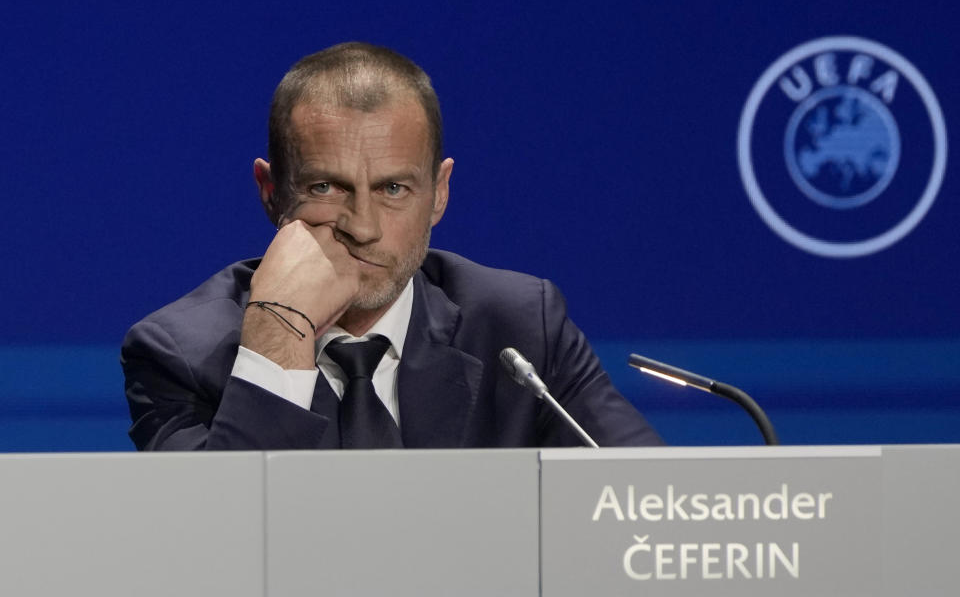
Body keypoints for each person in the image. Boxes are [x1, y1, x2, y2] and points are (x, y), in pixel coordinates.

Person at [122, 42, 661, 450]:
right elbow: (214, 552)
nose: (363, 226)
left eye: (393, 189)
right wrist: (277, 341)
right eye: (326, 187)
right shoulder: (179, 353)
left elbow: (656, 509)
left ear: (440, 194)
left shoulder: (518, 328)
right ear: (270, 192)